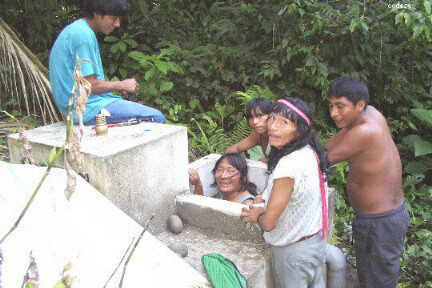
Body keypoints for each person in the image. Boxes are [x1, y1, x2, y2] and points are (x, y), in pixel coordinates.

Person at [325, 76, 409, 288]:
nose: (333, 113)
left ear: (360, 105)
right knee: (370, 277)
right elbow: (331, 143)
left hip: (380, 223)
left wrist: (286, 149)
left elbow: (320, 159)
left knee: (378, 281)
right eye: (331, 105)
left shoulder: (364, 132)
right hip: (380, 220)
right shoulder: (370, 114)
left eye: (340, 106)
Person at [241, 98, 329, 288]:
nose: (273, 127)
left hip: (293, 253)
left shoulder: (288, 165)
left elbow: (269, 223)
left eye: (284, 122)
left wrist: (257, 214)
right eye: (272, 119)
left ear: (300, 130)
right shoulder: (308, 150)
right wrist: (264, 197)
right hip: (313, 241)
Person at [49, 0, 166, 125]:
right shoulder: (83, 36)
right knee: (156, 117)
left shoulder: (78, 29)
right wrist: (121, 85)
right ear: (97, 14)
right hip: (86, 110)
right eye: (113, 18)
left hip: (81, 106)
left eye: (119, 19)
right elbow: (89, 86)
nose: (117, 24)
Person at [189, 153, 257, 205]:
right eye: (219, 170)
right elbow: (199, 208)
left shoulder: (247, 204)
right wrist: (198, 184)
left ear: (243, 176)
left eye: (231, 171)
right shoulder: (225, 194)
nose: (223, 176)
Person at [225, 98, 273, 162]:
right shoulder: (257, 134)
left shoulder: (282, 132)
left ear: (272, 115)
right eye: (251, 117)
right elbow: (235, 148)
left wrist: (264, 161)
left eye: (260, 115)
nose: (254, 121)